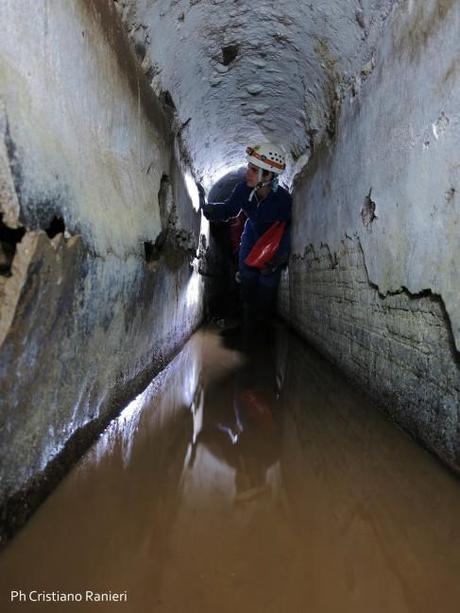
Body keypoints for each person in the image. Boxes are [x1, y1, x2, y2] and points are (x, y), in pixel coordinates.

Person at [198, 143, 291, 327]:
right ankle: (246, 321)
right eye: (249, 167)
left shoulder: (283, 201)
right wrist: (205, 207)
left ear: (268, 175)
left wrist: (276, 260)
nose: (247, 172)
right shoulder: (243, 190)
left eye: (253, 169)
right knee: (247, 276)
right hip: (251, 232)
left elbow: (287, 232)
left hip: (273, 238)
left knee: (267, 283)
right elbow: (229, 210)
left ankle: (262, 323)